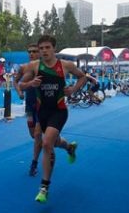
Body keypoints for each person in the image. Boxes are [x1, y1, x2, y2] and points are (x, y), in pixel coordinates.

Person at [19, 35, 87, 203]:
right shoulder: (34, 66)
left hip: (59, 110)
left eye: (47, 47)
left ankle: (44, 187)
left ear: (54, 48)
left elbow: (83, 77)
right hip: (42, 112)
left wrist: (73, 90)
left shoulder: (65, 65)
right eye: (41, 48)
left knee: (47, 143)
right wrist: (31, 84)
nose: (44, 51)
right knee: (55, 142)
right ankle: (69, 147)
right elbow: (20, 85)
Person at [13, 44, 42, 176]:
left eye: (35, 51)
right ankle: (65, 145)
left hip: (43, 106)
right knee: (33, 135)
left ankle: (34, 164)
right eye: (29, 52)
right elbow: (16, 82)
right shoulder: (24, 67)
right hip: (30, 105)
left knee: (37, 135)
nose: (32, 54)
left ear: (40, 52)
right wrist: (19, 91)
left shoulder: (45, 67)